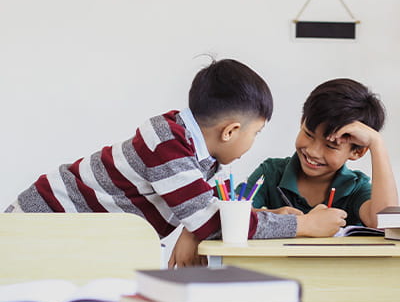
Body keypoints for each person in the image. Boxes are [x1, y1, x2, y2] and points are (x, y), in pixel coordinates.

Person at [5, 59, 347, 267]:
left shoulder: (197, 154)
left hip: (74, 238)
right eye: (256, 133)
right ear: (230, 131)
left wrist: (265, 217)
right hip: (36, 229)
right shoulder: (167, 144)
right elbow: (210, 219)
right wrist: (305, 227)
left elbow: (205, 214)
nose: (254, 143)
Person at [244, 78, 398, 228]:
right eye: (309, 134)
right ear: (302, 121)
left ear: (357, 152)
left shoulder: (355, 187)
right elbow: (230, 216)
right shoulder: (270, 172)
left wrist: (376, 143)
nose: (313, 151)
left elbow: (385, 222)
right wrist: (278, 218)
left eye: (331, 146)